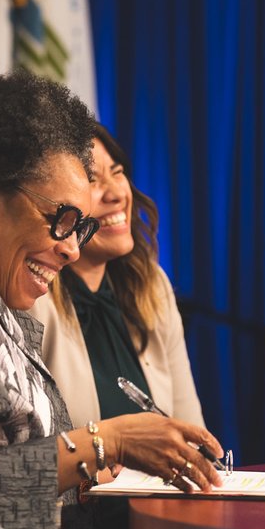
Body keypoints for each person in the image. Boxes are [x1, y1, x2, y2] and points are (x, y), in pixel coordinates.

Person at [0, 72, 223, 529]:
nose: (72, 247)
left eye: (81, 227)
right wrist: (105, 443)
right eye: (60, 219)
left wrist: (83, 477)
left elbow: (2, 495)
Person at [30, 125, 204, 428]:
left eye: (117, 171)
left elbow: (190, 429)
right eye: (91, 180)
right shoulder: (32, 294)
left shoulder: (151, 285)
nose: (116, 194)